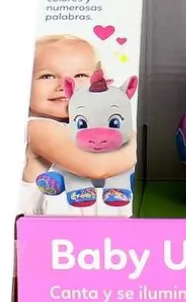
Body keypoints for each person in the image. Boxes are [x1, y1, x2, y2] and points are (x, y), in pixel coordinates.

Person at [17, 34, 137, 215]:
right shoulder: (37, 128)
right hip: (49, 231)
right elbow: (97, 168)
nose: (64, 85)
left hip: (99, 229)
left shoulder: (97, 131)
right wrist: (136, 141)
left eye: (80, 75)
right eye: (47, 76)